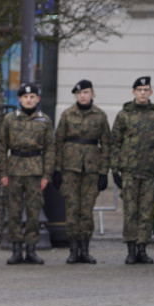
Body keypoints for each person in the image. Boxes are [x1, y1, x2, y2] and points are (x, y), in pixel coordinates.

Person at [110, 76, 154, 264]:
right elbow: (115, 143)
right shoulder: (124, 115)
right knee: (130, 211)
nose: (143, 93)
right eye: (139, 90)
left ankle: (142, 247)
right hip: (129, 171)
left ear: (151, 92)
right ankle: (130, 248)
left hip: (150, 171)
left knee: (146, 212)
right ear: (134, 92)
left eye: (146, 90)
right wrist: (115, 170)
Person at [0, 82, 54, 265]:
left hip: (36, 169)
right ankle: (15, 249)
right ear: (19, 99)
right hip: (14, 169)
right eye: (25, 97)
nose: (29, 100)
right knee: (13, 210)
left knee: (34, 211)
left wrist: (47, 175)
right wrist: (3, 173)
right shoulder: (9, 119)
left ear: (37, 99)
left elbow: (50, 149)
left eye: (32, 97)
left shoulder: (45, 120)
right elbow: (1, 147)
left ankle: (31, 249)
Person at [54, 80, 111, 264]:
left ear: (92, 93)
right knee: (72, 209)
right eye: (79, 93)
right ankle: (73, 250)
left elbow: (107, 145)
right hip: (70, 169)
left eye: (86, 92)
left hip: (91, 169)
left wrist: (103, 172)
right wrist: (57, 170)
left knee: (86, 210)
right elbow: (58, 142)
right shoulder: (67, 115)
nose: (83, 96)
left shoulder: (100, 116)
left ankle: (84, 249)